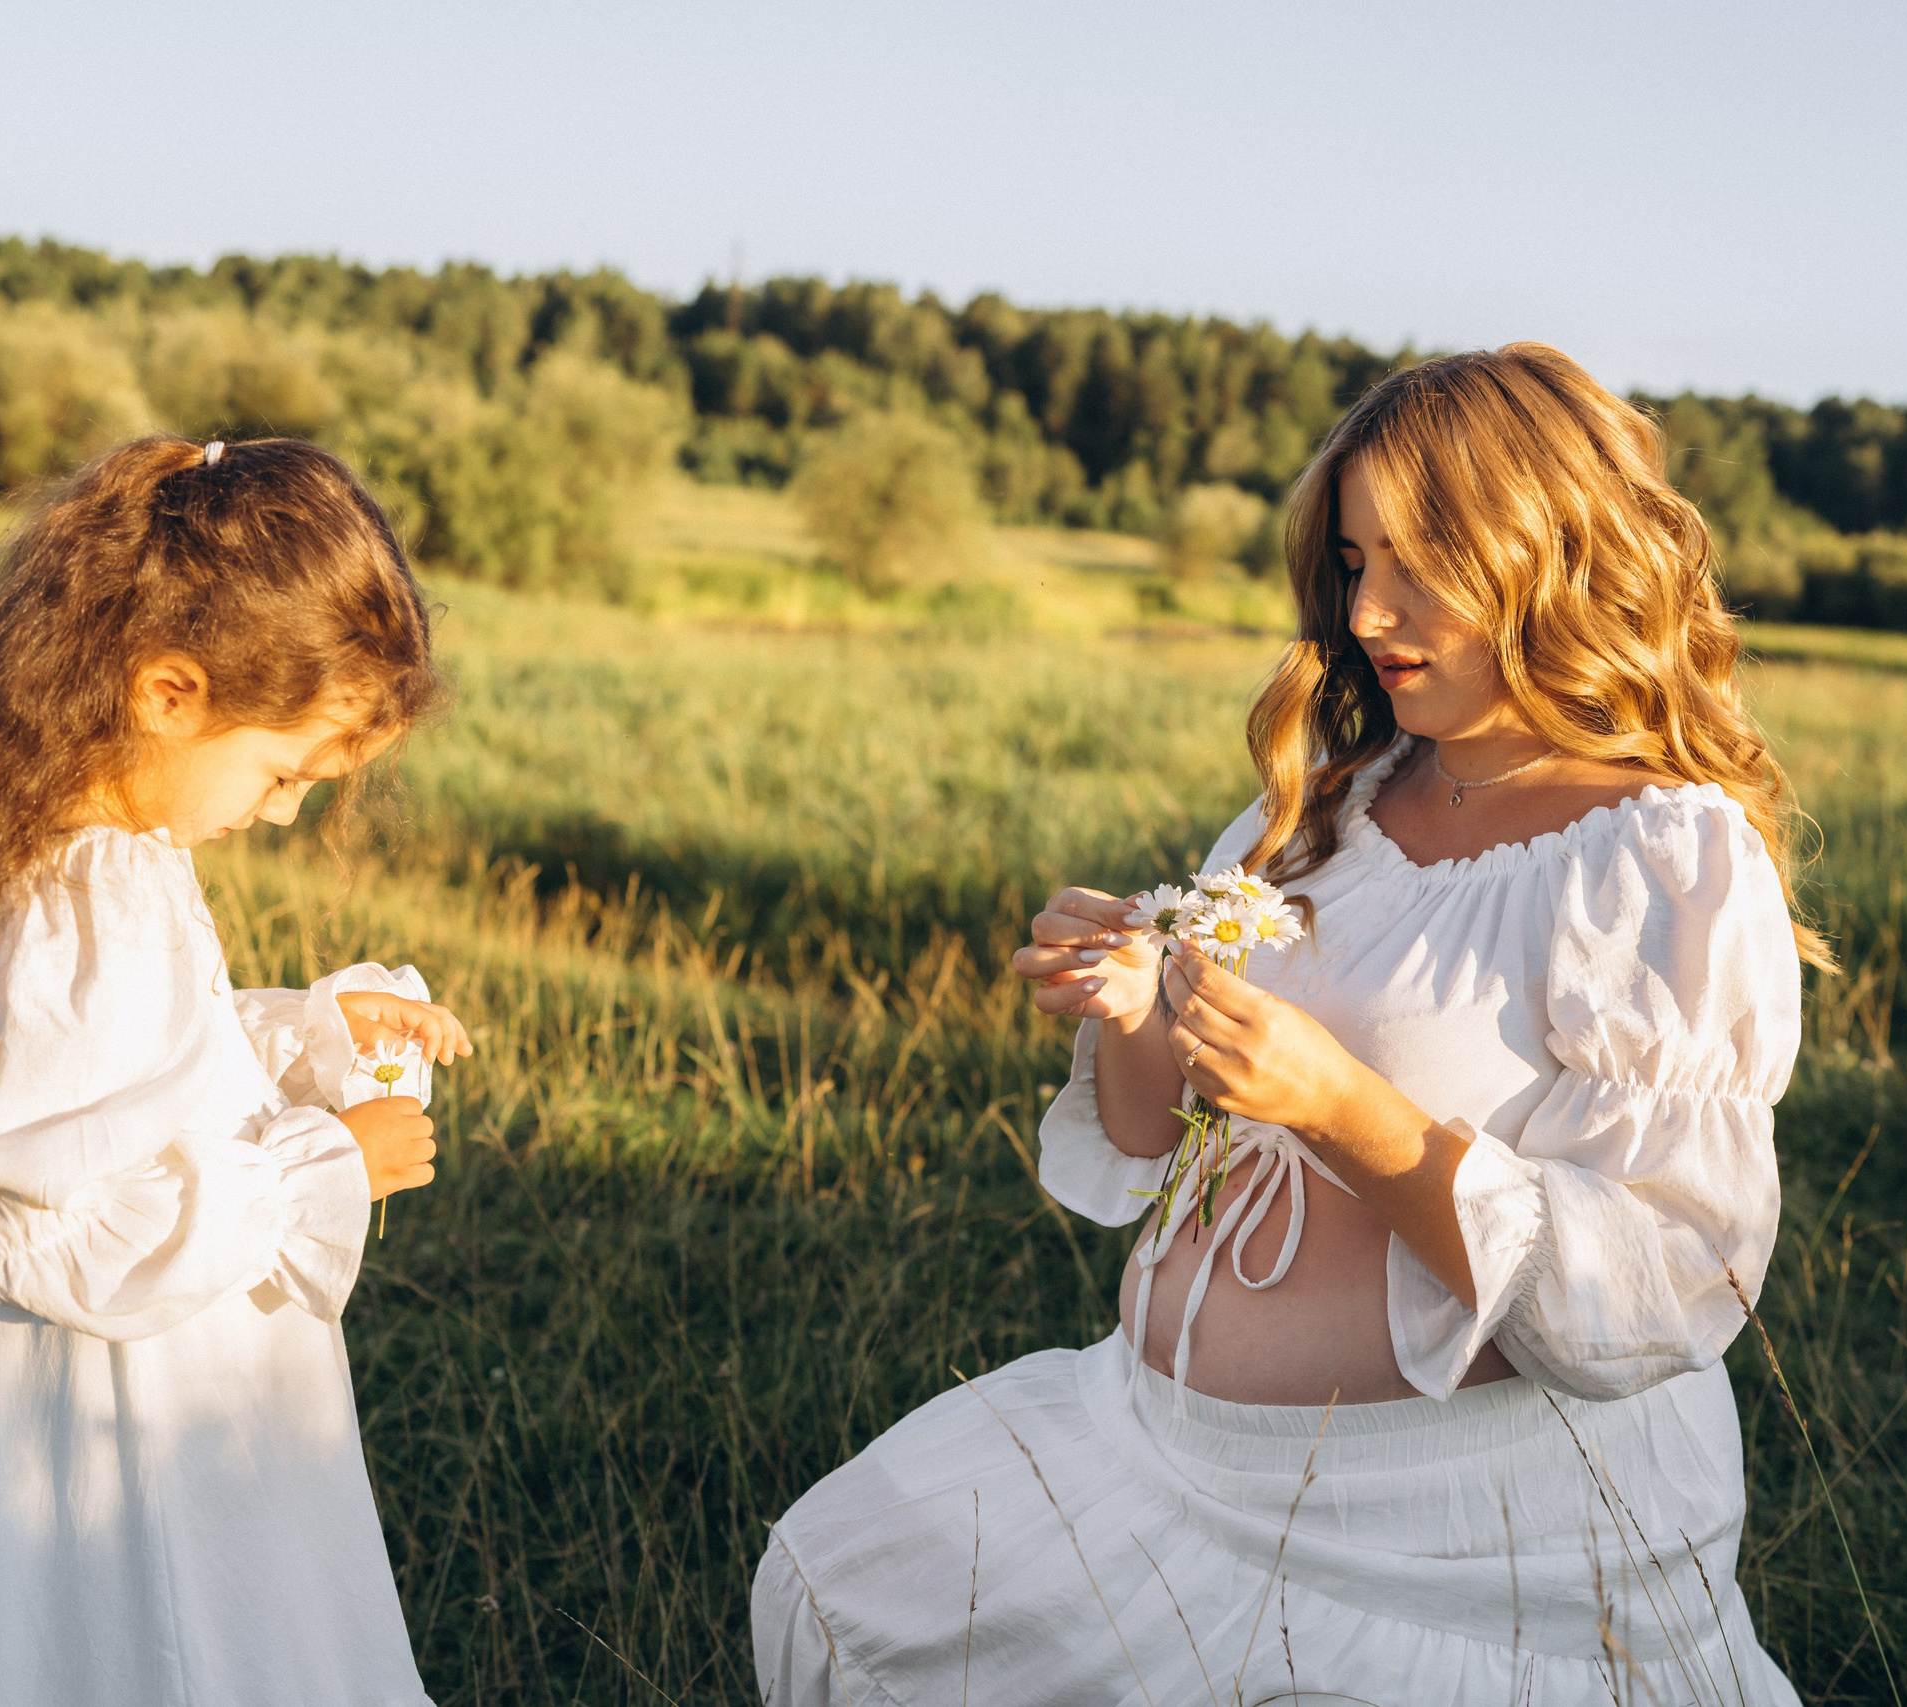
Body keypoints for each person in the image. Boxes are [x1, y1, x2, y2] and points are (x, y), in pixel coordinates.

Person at [755, 346, 1820, 1704]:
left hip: (1436, 1537)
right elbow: (1156, 1137)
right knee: (846, 1583)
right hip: (1160, 1447)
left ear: (1547, 553)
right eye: (1353, 561)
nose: (1368, 610)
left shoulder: (1654, 857)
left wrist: (1337, 1104)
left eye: (1419, 563)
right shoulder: (1330, 805)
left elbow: (1663, 1280)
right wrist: (1135, 1008)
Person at [0, 437, 472, 1707]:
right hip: (126, 1400)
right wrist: (325, 1166)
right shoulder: (88, 896)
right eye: (282, 772)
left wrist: (313, 1036)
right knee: (165, 1641)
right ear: (169, 694)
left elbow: (146, 1076)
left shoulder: (114, 856)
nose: (280, 812)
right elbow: (60, 1233)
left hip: (148, 1361)